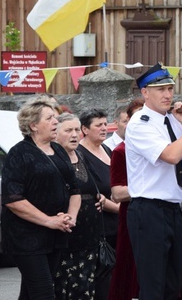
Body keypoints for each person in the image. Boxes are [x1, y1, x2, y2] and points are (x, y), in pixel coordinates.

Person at [124, 64, 182, 299]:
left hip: (173, 210)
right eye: (160, 89)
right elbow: (171, 156)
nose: (168, 95)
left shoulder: (172, 121)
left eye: (170, 88)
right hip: (148, 210)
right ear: (145, 93)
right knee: (153, 283)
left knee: (177, 277)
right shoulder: (140, 123)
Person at [2, 97, 80, 300]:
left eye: (56, 117)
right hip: (26, 238)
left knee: (31, 293)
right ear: (33, 125)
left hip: (56, 235)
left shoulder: (60, 151)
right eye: (50, 118)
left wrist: (70, 217)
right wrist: (49, 221)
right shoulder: (18, 153)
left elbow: (74, 190)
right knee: (44, 293)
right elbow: (13, 199)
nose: (56, 121)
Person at [53, 113, 106, 299]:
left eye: (76, 129)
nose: (74, 134)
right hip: (66, 237)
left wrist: (99, 198)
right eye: (68, 130)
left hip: (89, 237)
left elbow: (91, 186)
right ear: (55, 133)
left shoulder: (82, 156)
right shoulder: (51, 159)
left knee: (86, 288)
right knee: (64, 288)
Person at [76, 108, 118, 299]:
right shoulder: (80, 154)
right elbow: (94, 194)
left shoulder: (107, 149)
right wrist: (118, 207)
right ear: (84, 129)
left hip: (117, 222)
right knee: (101, 279)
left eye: (105, 124)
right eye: (98, 125)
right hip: (99, 224)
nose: (104, 128)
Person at [108, 98, 143, 300]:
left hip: (159, 217)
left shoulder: (163, 146)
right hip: (132, 216)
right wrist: (150, 188)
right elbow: (118, 193)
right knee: (130, 270)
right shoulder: (121, 151)